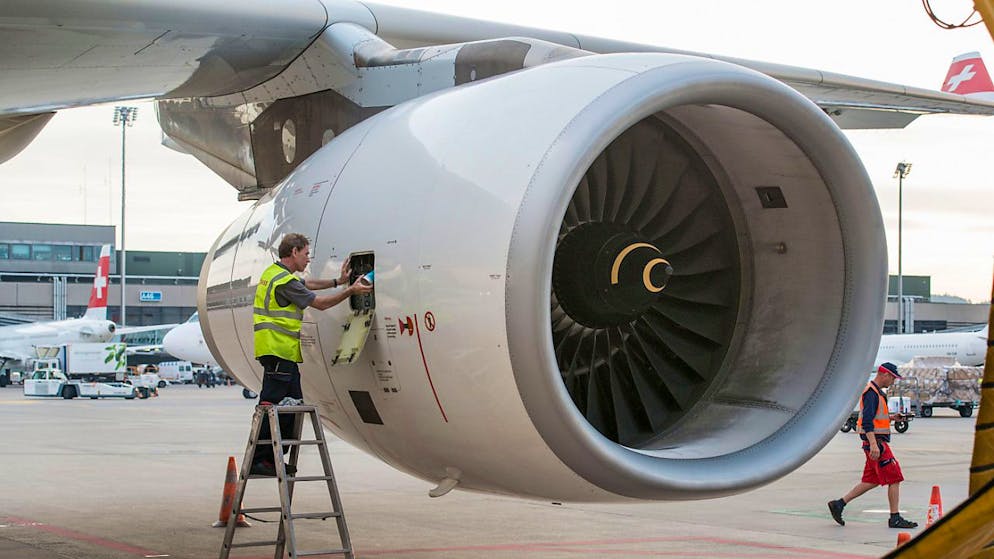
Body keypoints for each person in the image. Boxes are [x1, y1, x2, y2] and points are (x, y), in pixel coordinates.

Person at [250, 233, 372, 477]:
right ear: (294, 252)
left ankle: (274, 457)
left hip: (282, 353)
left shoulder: (276, 275)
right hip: (277, 351)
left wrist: (339, 281)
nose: (308, 259)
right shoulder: (284, 282)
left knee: (293, 404)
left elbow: (308, 285)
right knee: (272, 405)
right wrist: (352, 291)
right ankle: (261, 459)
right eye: (306, 254)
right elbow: (320, 304)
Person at [828, 362, 918, 529]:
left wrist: (892, 418)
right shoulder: (871, 393)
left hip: (874, 443)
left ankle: (839, 504)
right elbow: (868, 422)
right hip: (877, 443)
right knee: (895, 477)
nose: (893, 381)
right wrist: (874, 445)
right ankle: (895, 518)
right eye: (892, 378)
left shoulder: (877, 392)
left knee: (871, 480)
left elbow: (876, 418)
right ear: (884, 374)